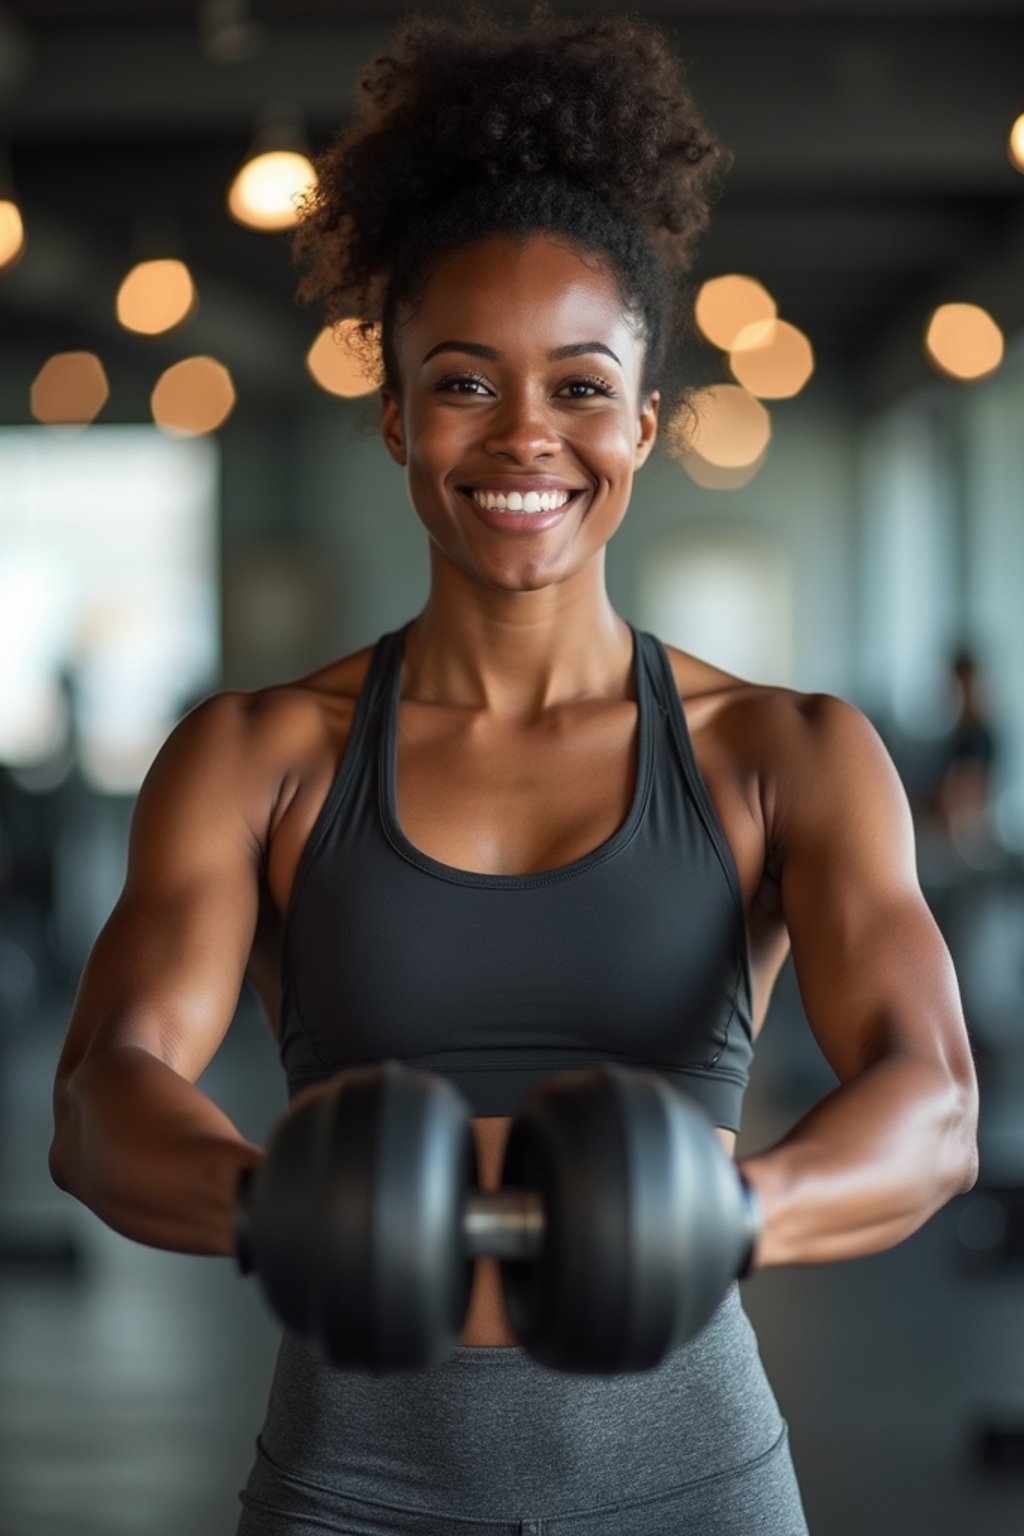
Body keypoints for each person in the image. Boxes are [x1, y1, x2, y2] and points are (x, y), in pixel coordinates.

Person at [47, 9, 979, 1533]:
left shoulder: (785, 752)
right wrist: (276, 1200)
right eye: (468, 383)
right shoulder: (256, 757)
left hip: (693, 1478)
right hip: (352, 1483)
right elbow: (101, 1100)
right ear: (395, 415)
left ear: (646, 421)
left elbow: (934, 1112)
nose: (526, 437)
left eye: (582, 385)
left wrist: (729, 1213)